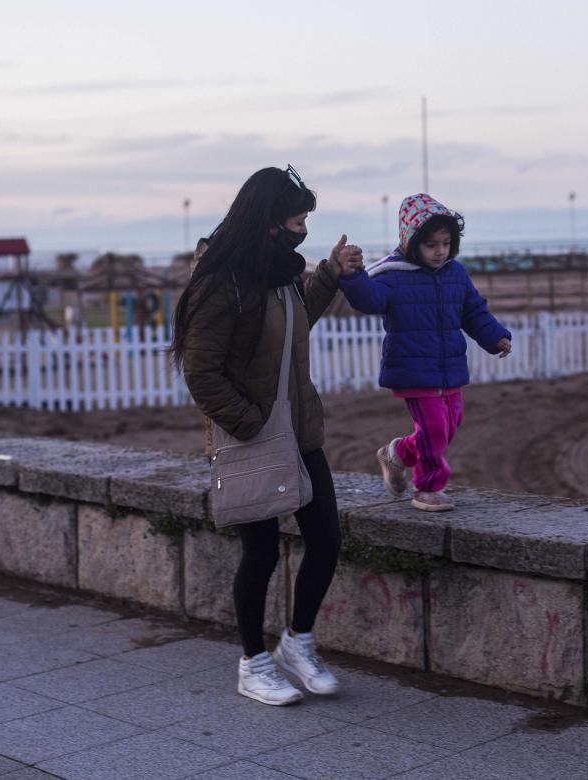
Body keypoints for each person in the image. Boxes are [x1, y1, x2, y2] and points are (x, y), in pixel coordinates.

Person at [168, 165, 363, 706]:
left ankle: (297, 643)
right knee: (261, 553)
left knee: (326, 539)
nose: (303, 228)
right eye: (297, 218)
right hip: (252, 433)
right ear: (269, 220)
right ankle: (253, 662)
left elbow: (296, 323)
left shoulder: (278, 273)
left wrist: (330, 273)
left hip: (298, 431)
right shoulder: (222, 280)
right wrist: (249, 423)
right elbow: (201, 373)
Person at [337, 193, 511, 512]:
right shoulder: (393, 276)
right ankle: (428, 488)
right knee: (433, 429)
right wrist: (352, 276)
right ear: (411, 241)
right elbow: (369, 300)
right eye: (431, 244)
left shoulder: (455, 273)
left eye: (445, 243)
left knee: (446, 429)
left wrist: (496, 337)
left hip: (450, 368)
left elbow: (473, 311)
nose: (439, 251)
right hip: (412, 368)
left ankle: (397, 454)